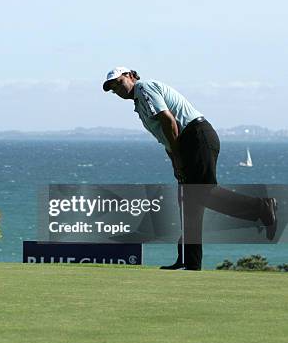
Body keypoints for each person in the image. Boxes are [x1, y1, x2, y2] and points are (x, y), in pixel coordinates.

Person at [102, 67, 278, 270]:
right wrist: (176, 162)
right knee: (188, 204)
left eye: (118, 82)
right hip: (186, 143)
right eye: (113, 88)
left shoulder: (143, 88)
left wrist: (178, 158)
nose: (117, 89)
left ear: (131, 76)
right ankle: (189, 261)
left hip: (196, 137)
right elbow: (165, 136)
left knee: (201, 194)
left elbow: (169, 121)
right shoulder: (139, 104)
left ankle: (261, 207)